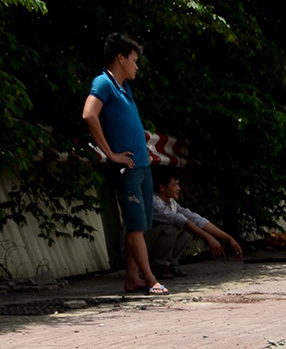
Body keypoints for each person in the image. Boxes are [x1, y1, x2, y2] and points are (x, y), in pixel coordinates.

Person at [82, 32, 162, 295]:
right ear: (120, 58)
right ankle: (151, 279)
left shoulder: (124, 88)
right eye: (134, 60)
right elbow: (89, 114)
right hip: (125, 168)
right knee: (136, 225)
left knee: (140, 225)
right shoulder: (103, 82)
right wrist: (110, 154)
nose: (137, 66)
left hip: (141, 165)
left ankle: (132, 277)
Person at [150, 173, 243, 271]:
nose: (179, 188)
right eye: (174, 185)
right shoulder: (154, 202)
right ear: (162, 187)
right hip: (147, 243)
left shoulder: (172, 203)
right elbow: (181, 221)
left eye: (178, 184)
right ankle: (158, 265)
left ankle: (169, 264)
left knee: (188, 228)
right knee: (173, 227)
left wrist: (229, 239)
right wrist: (208, 238)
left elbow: (197, 219)